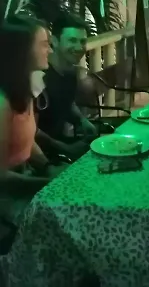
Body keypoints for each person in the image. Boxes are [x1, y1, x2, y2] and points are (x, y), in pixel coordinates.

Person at [0, 17, 58, 224]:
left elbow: (27, 140)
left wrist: (47, 166)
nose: (50, 50)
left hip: (27, 177)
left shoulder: (24, 88)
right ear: (23, 52)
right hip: (8, 195)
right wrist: (46, 183)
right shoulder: (2, 102)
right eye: (44, 44)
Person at [35, 14, 96, 158]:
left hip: (61, 143)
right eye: (72, 40)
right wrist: (65, 148)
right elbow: (31, 130)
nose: (79, 47)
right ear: (54, 41)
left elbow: (67, 102)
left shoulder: (70, 72)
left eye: (82, 41)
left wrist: (82, 120)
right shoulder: (39, 77)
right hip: (41, 155)